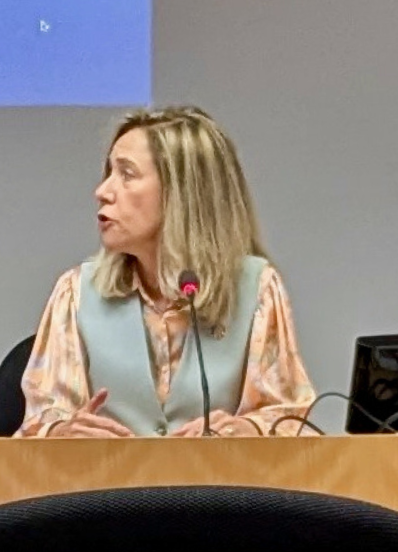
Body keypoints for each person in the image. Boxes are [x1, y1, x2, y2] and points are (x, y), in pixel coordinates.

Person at [16, 106, 315, 438]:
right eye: (108, 173)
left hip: (215, 487)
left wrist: (246, 429)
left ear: (183, 193)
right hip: (109, 487)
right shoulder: (76, 292)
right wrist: (61, 433)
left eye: (126, 174)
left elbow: (290, 420)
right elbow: (38, 421)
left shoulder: (256, 289)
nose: (102, 191)